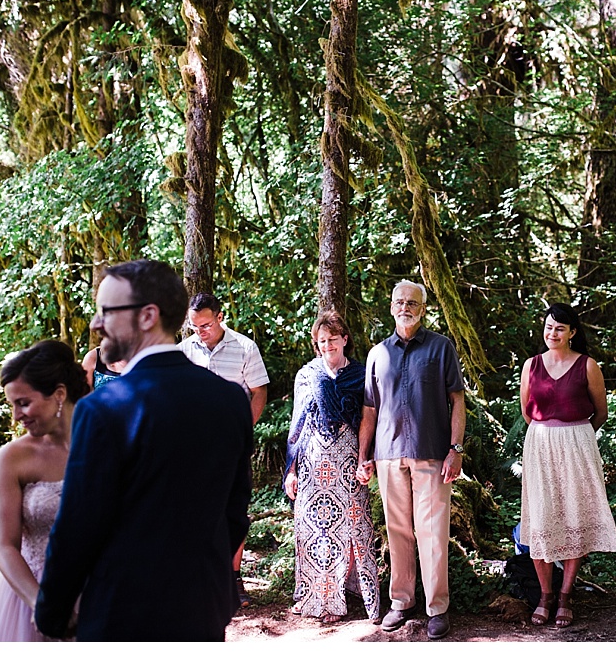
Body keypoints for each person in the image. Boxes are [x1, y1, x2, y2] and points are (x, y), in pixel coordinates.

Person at [34, 259, 254, 641]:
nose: (97, 323)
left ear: (148, 315)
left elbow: (77, 528)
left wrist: (53, 614)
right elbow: (235, 512)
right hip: (202, 607)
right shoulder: (230, 400)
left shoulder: (102, 409)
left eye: (107, 311)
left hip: (121, 613)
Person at [356, 280, 465, 640]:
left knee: (433, 532)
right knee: (398, 531)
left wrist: (456, 449)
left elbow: (457, 401)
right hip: (388, 454)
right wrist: (364, 455)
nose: (405, 307)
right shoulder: (377, 353)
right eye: (400, 302)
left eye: (412, 302)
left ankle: (437, 608)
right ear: (391, 307)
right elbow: (370, 409)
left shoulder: (440, 347)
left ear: (423, 308)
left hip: (432, 452)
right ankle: (401, 601)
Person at [0, 340, 90, 642]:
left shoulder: (107, 444)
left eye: (23, 402)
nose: (16, 416)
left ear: (59, 394)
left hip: (102, 592)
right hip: (30, 595)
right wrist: (44, 607)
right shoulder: (12, 458)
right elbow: (5, 546)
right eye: (12, 405)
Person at [518, 303, 616, 629]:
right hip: (540, 445)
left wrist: (575, 436)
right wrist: (547, 433)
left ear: (573, 332)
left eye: (560, 328)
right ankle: (544, 595)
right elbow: (526, 412)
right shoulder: (531, 366)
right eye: (549, 327)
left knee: (575, 514)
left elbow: (600, 412)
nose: (553, 333)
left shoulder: (587, 365)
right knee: (540, 517)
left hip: (577, 443)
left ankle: (565, 595)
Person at [284, 310, 380, 624]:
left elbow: (370, 420)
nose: (327, 346)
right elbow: (297, 425)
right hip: (312, 461)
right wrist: (291, 470)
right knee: (315, 527)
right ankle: (317, 597)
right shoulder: (306, 375)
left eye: (333, 340)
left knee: (352, 524)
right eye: (322, 341)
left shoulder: (361, 374)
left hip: (348, 458)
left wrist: (368, 459)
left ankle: (352, 590)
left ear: (345, 340)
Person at [180, 292, 269, 608]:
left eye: (205, 325)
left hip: (232, 446)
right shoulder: (183, 352)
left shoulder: (245, 347)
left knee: (234, 512)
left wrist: (245, 428)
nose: (200, 332)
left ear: (220, 317)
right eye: (194, 327)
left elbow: (259, 391)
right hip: (194, 451)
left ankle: (233, 580)